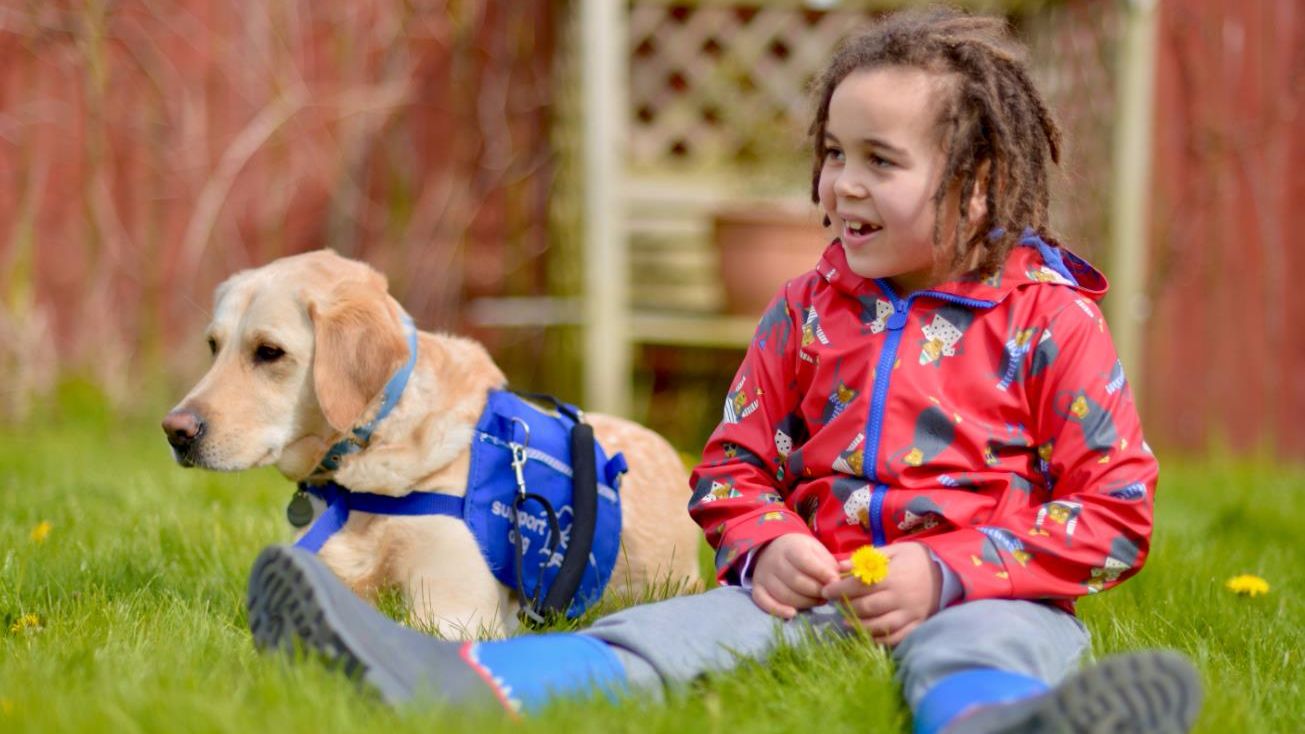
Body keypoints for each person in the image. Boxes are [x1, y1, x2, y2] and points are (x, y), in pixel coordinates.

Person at [245, 7, 1202, 733]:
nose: (843, 185)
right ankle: (444, 674)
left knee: (980, 648)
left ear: (980, 183)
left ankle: (1011, 721)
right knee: (678, 633)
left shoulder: (1050, 321)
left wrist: (947, 575)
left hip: (985, 593)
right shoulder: (803, 312)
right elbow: (731, 467)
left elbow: (1114, 512)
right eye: (833, 154)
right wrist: (767, 543)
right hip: (811, 593)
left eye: (880, 160)